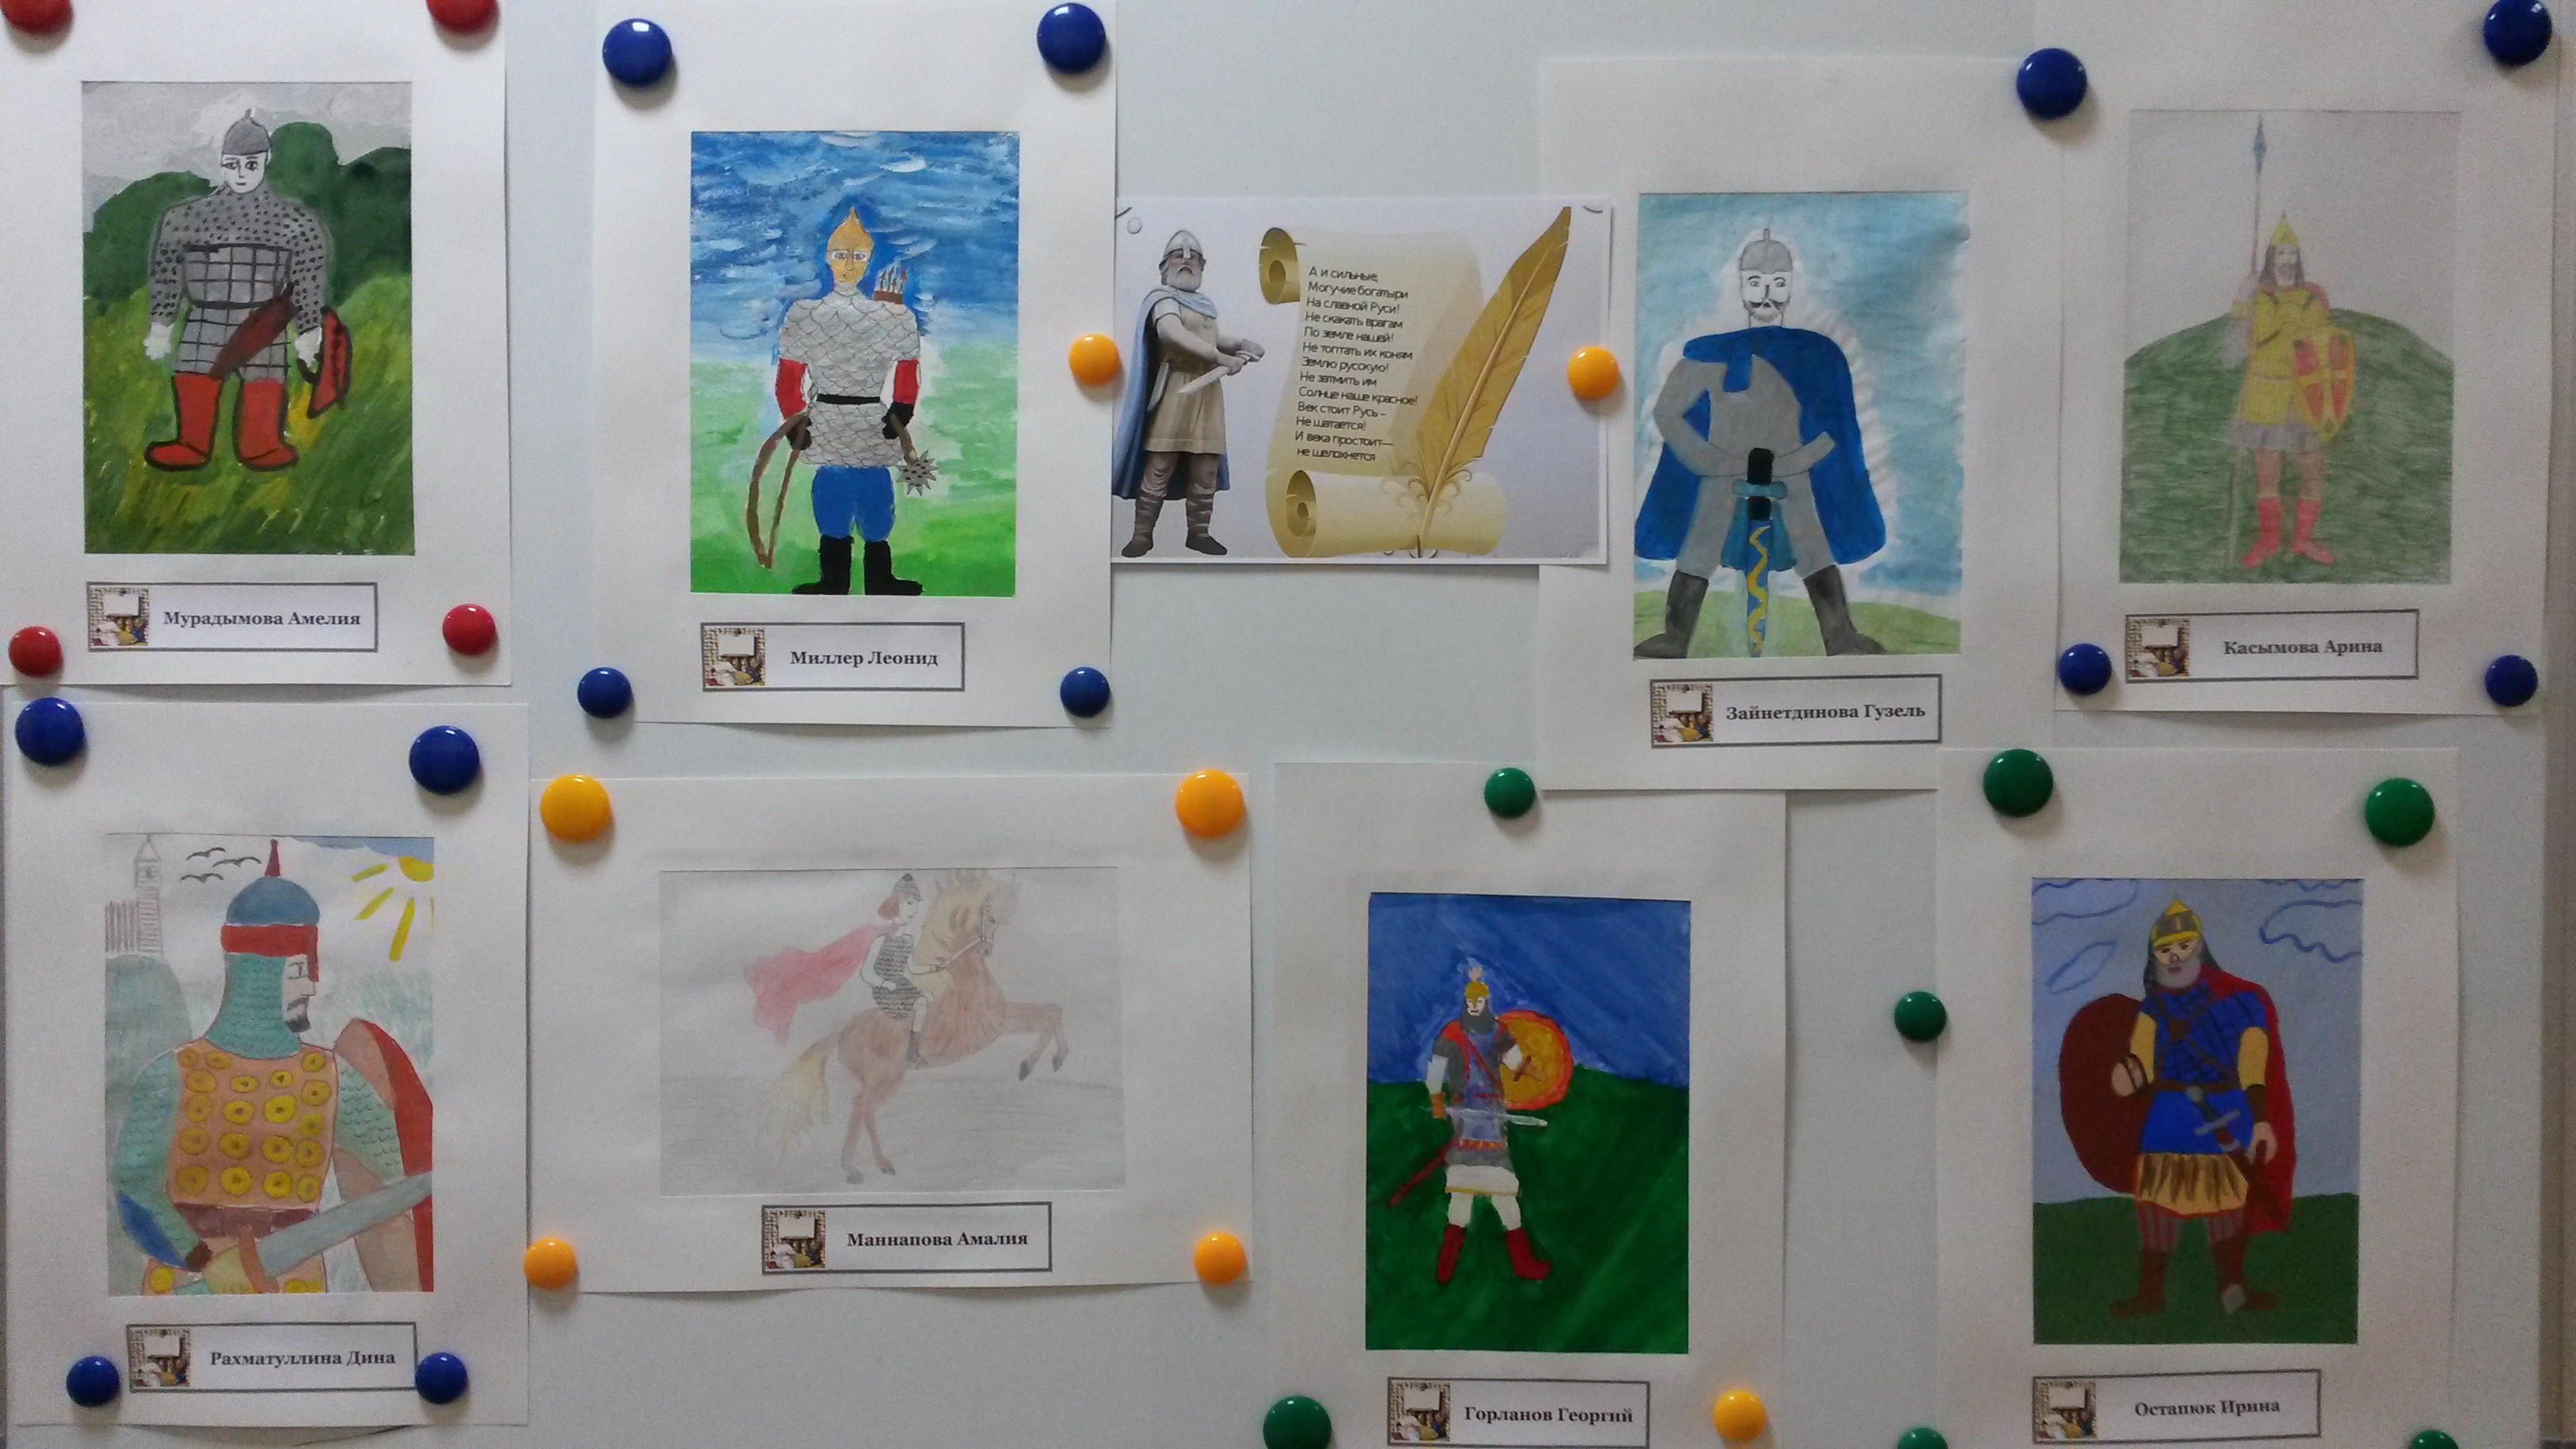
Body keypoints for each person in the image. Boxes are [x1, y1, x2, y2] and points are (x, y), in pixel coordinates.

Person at [108, 844, 423, 1294]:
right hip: (185, 1288)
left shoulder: (334, 1079)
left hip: (294, 1288)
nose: (311, 987)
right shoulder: (168, 1077)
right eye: (299, 972)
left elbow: (405, 1167)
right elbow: (134, 1188)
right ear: (257, 975)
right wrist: (204, 1262)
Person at [1634, 229, 1886, 657]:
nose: (1767, 294)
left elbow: (1834, 424)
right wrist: (1709, 460)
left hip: (1792, 475)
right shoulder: (1712, 353)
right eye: (1755, 282)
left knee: (1813, 549)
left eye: (1778, 282)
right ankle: (1675, 639)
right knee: (1698, 552)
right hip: (1722, 476)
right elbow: (1668, 412)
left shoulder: (1817, 355)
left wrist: (1796, 461)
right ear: (1740, 286)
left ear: (1790, 286)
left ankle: (1841, 637)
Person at [2103, 898, 2297, 1317]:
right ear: (2155, 956)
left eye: (2183, 945)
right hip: (2168, 1114)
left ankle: (2233, 1290)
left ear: (2199, 947)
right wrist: (2130, 1074)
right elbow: (2143, 1059)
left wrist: (2261, 1121)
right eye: (2164, 949)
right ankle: (2150, 1295)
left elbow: (2253, 1062)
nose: (2174, 956)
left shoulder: (2241, 1001)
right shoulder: (2153, 1006)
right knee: (2156, 1204)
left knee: (2226, 1203)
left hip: (2227, 1109)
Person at [141, 111, 336, 474]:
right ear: (221, 164)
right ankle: (191, 443)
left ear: (266, 161)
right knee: (195, 373)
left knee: (264, 379)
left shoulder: (297, 223)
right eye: (233, 164)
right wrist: (161, 325)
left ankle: (262, 444)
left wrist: (309, 331)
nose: (241, 173)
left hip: (265, 321)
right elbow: (167, 274)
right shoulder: (185, 219)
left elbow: (307, 280)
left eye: (250, 164)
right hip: (205, 315)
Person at [775, 207, 925, 596]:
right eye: (840, 255)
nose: (848, 265)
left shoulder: (893, 317)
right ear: (828, 258)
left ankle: (880, 579)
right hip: (826, 418)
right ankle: (833, 581)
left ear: (868, 261)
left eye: (858, 256)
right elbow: (789, 377)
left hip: (872, 418)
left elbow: (907, 368)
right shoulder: (806, 314)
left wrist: (902, 409)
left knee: (876, 495)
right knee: (832, 493)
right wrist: (795, 421)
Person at [1110, 230, 1263, 556]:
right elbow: (1173, 333)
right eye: (1178, 255)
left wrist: (1241, 344)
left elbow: (1213, 337)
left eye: (1193, 257)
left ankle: (1199, 533)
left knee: (1206, 468)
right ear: (1165, 264)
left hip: (1208, 394)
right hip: (1176, 391)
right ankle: (1142, 536)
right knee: (1160, 465)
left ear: (1202, 266)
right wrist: (1220, 358)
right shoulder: (1162, 299)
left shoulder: (1204, 306)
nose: (1186, 260)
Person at [1423, 964, 1550, 1283]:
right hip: (1466, 1117)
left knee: (1504, 1190)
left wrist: (1537, 1074)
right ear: (1465, 1001)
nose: (1474, 1006)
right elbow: (1436, 1068)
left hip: (1492, 1117)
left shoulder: (1498, 1032)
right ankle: (1445, 1266)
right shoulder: (1452, 1033)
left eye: (1478, 1001)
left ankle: (1522, 1262)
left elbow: (1514, 1061)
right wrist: (1436, 1098)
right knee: (1462, 1193)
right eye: (1470, 1001)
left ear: (1486, 1002)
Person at [2227, 217, 2340, 567]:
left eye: (2293, 254)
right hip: (2265, 396)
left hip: (2306, 398)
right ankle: (2269, 542)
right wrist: (2243, 299)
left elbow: (2328, 347)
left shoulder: (2313, 296)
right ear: (2270, 258)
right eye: (2281, 253)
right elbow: (2233, 351)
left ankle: (2302, 540)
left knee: (2313, 473)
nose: (2288, 260)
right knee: (2267, 475)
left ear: (2298, 258)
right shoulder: (2256, 298)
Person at [862, 875, 934, 1065]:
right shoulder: (880, 940)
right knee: (920, 1004)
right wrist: (885, 983)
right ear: (897, 904)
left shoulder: (909, 940)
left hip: (902, 986)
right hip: (885, 989)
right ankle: (910, 1054)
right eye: (909, 903)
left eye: (915, 904)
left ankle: (914, 1049)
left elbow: (912, 968)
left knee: (928, 999)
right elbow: (866, 972)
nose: (914, 909)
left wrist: (935, 967)